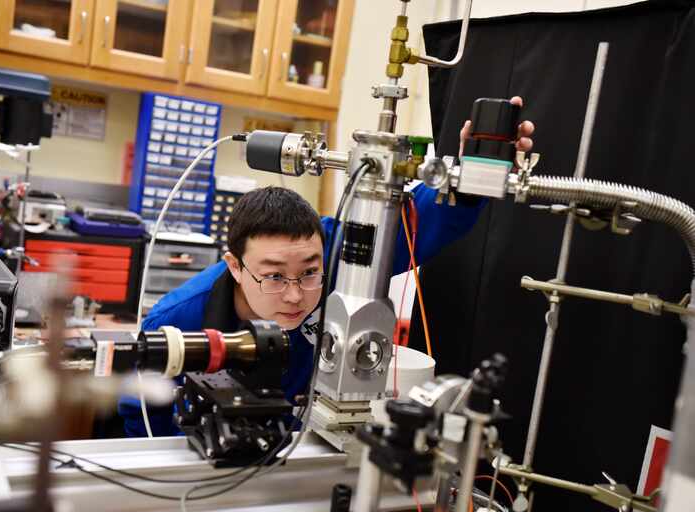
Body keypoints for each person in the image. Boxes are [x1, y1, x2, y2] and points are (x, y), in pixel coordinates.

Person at [119, 98, 535, 437]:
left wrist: (467, 177)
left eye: (309, 272)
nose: (297, 294)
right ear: (234, 266)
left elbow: (418, 222)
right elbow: (144, 421)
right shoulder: (177, 322)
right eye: (274, 276)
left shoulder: (339, 254)